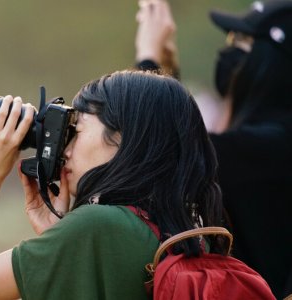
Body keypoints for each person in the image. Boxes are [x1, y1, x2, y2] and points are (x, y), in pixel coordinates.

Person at [0, 70, 227, 299]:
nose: (65, 150)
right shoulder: (183, 229)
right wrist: (59, 240)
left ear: (123, 139)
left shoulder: (99, 226)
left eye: (76, 131)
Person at [135, 0, 292, 298]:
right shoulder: (267, 142)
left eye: (240, 41)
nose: (227, 50)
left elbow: (164, 154)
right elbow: (191, 149)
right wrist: (166, 76)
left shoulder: (272, 146)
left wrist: (149, 61)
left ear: (274, 64)